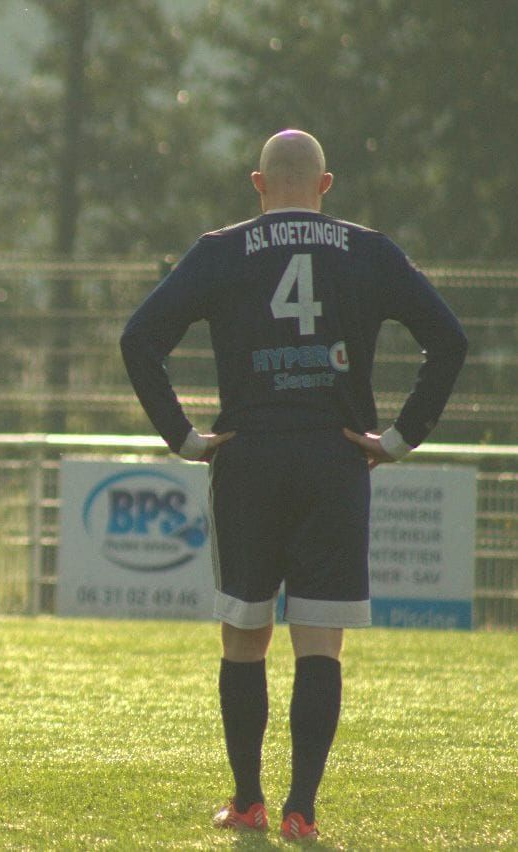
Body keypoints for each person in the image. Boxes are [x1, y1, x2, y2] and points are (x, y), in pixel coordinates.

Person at [121, 130, 465, 841]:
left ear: (258, 183)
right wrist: (400, 438)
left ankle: (246, 800)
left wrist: (183, 436)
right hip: (335, 460)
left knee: (245, 636)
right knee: (319, 645)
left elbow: (138, 338)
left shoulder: (219, 250)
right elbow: (450, 339)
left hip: (247, 457)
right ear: (325, 185)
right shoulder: (368, 249)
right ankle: (301, 808)